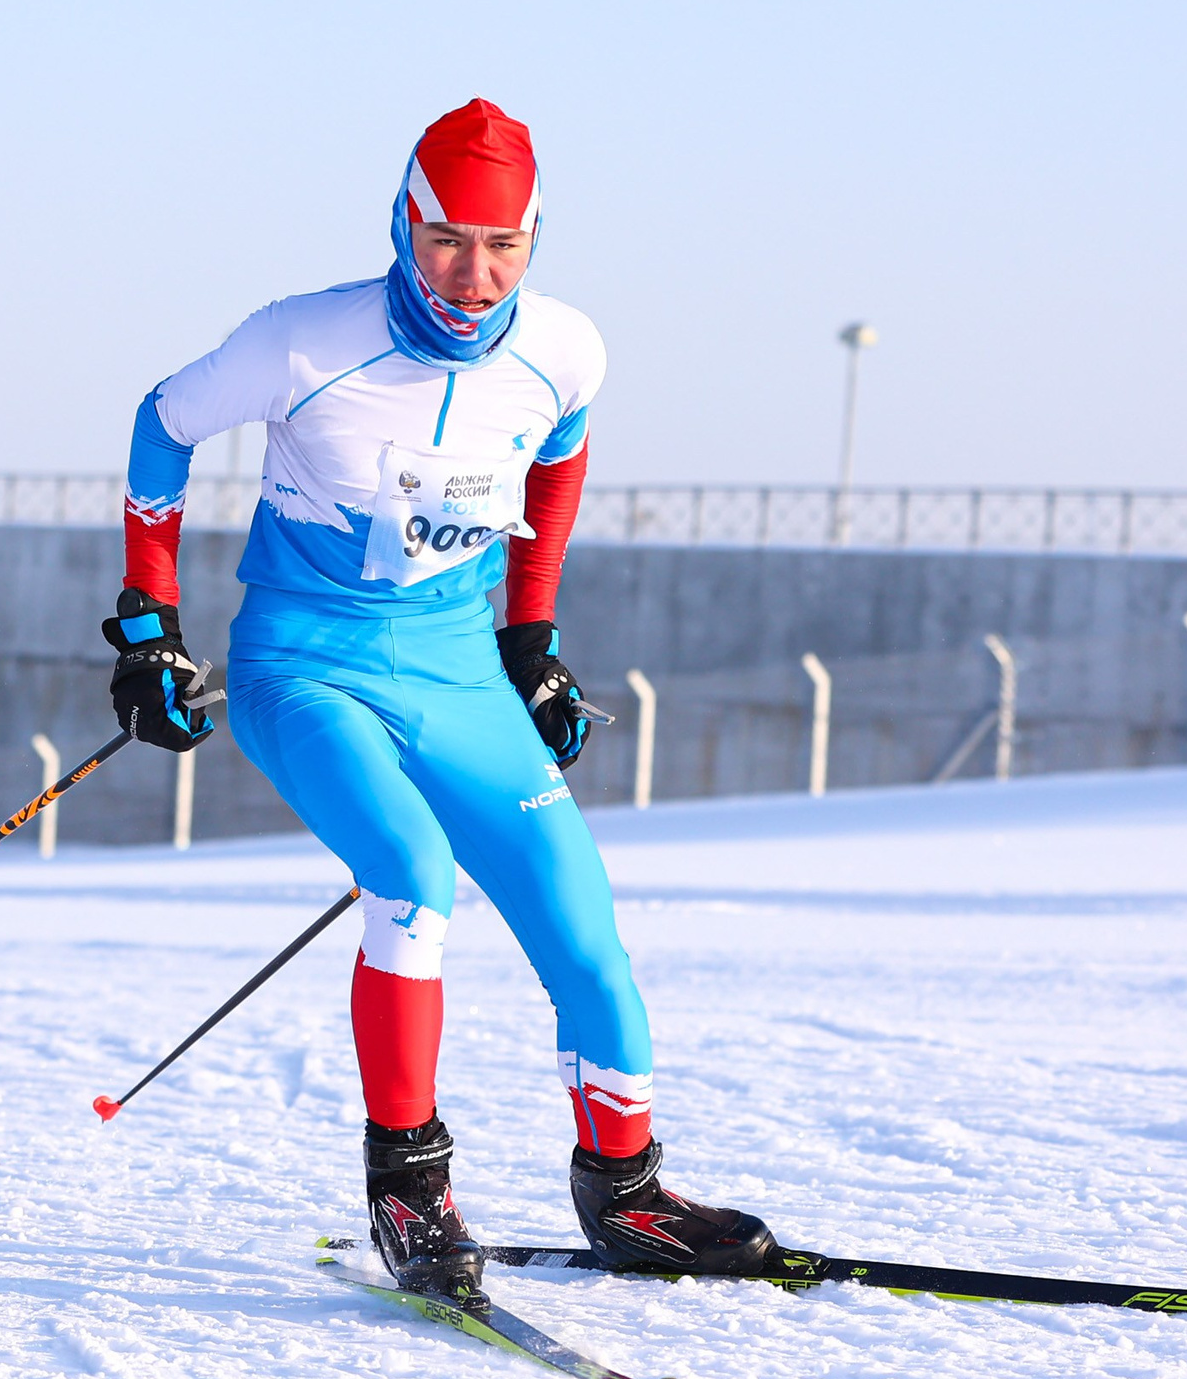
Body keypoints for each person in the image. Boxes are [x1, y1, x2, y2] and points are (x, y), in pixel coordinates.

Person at [105, 98, 775, 1298]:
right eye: (447, 239)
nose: (473, 276)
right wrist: (149, 623)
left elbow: (559, 455)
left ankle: (627, 1196)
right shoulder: (300, 341)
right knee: (410, 877)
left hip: (458, 668)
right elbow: (162, 428)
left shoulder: (563, 349)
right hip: (305, 668)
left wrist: (532, 640)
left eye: (503, 245)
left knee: (582, 923)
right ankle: (410, 1193)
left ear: (534, 240)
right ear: (404, 223)